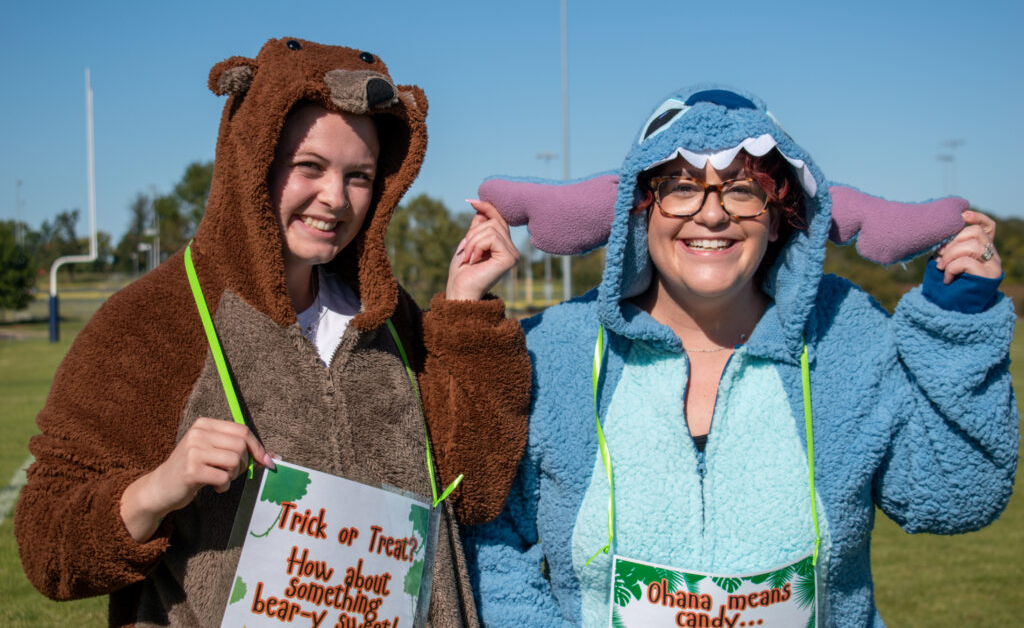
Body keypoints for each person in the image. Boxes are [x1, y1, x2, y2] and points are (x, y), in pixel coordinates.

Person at [15, 37, 531, 626]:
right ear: (253, 161)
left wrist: (465, 309)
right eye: (309, 167)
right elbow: (45, 544)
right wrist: (158, 488)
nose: (335, 199)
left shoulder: (389, 318)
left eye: (359, 175)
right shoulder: (151, 321)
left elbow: (477, 489)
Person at [464, 85, 1017, 626]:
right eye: (681, 187)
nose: (711, 215)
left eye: (744, 190)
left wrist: (957, 320)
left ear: (778, 217)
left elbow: (953, 496)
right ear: (640, 209)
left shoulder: (846, 335)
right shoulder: (554, 351)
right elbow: (487, 538)